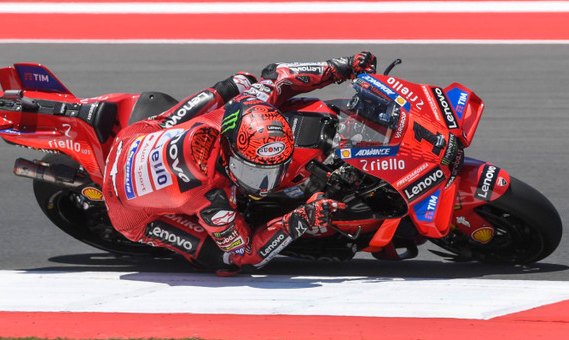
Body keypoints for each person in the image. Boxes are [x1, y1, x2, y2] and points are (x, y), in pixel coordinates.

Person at [102, 51, 377, 275]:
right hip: (127, 210)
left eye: (273, 169)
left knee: (241, 82)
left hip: (139, 134)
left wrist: (341, 67)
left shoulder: (247, 103)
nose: (267, 183)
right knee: (224, 260)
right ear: (230, 152)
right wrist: (299, 219)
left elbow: (278, 75)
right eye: (255, 172)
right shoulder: (214, 202)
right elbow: (247, 255)